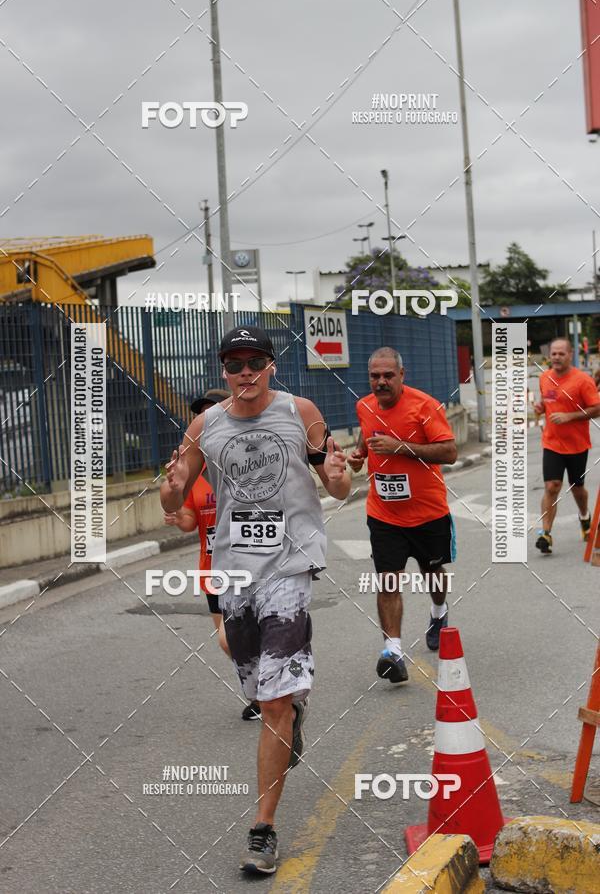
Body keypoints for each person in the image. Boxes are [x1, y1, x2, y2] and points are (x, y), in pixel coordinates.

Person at [160, 325, 350, 876]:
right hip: (234, 572)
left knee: (271, 703)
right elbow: (174, 500)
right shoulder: (206, 426)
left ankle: (262, 828)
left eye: (255, 362)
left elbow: (336, 485)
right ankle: (290, 712)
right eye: (234, 364)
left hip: (290, 566)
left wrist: (337, 474)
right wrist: (171, 486)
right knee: (258, 688)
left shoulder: (299, 412)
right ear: (223, 369)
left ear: (271, 366)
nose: (245, 372)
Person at [348, 347, 457, 683]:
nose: (381, 382)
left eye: (388, 375)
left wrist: (400, 447)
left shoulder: (425, 406)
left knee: (432, 572)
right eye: (374, 376)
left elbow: (449, 451)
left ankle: (438, 611)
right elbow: (367, 437)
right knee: (388, 579)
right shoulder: (364, 406)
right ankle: (393, 652)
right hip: (384, 514)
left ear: (401, 375)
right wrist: (358, 456)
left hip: (427, 512)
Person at [163, 389, 262, 722]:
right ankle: (263, 692)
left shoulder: (247, 463)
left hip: (250, 565)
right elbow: (191, 522)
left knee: (231, 636)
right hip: (212, 570)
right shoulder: (193, 475)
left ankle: (269, 692)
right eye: (200, 417)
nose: (206, 422)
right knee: (229, 642)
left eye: (213, 414)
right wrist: (178, 515)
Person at [533, 338, 600, 554]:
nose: (557, 357)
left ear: (570, 355)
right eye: (553, 353)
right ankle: (545, 533)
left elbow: (596, 409)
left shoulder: (583, 380)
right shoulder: (544, 377)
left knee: (577, 488)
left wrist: (569, 416)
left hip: (577, 445)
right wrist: (540, 407)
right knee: (552, 486)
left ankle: (584, 516)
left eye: (561, 353)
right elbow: (547, 401)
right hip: (552, 443)